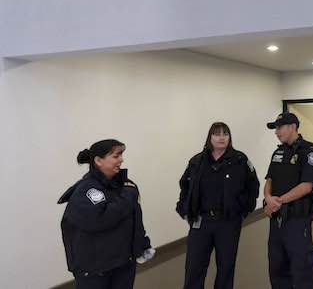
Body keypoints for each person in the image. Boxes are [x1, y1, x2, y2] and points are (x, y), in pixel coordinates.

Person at [58, 139, 155, 289]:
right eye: (116, 156)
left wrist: (141, 244)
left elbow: (134, 219)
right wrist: (128, 196)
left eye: (121, 155)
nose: (121, 160)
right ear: (98, 161)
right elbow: (100, 220)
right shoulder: (87, 190)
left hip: (122, 262)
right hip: (96, 270)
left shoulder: (122, 185)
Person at [176, 122, 260, 289]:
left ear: (230, 137)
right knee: (194, 267)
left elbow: (253, 187)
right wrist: (185, 211)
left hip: (228, 223)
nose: (221, 137)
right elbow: (185, 186)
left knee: (226, 267)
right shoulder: (197, 161)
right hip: (201, 222)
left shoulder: (240, 160)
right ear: (210, 137)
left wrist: (243, 210)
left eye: (225, 133)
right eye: (217, 134)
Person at [264, 112, 313, 289]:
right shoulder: (278, 152)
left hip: (297, 220)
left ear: (293, 127)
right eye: (276, 129)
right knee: (277, 267)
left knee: (301, 266)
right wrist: (267, 198)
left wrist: (277, 201)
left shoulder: (310, 151)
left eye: (279, 128)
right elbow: (269, 180)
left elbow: (307, 186)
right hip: (277, 220)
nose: (277, 132)